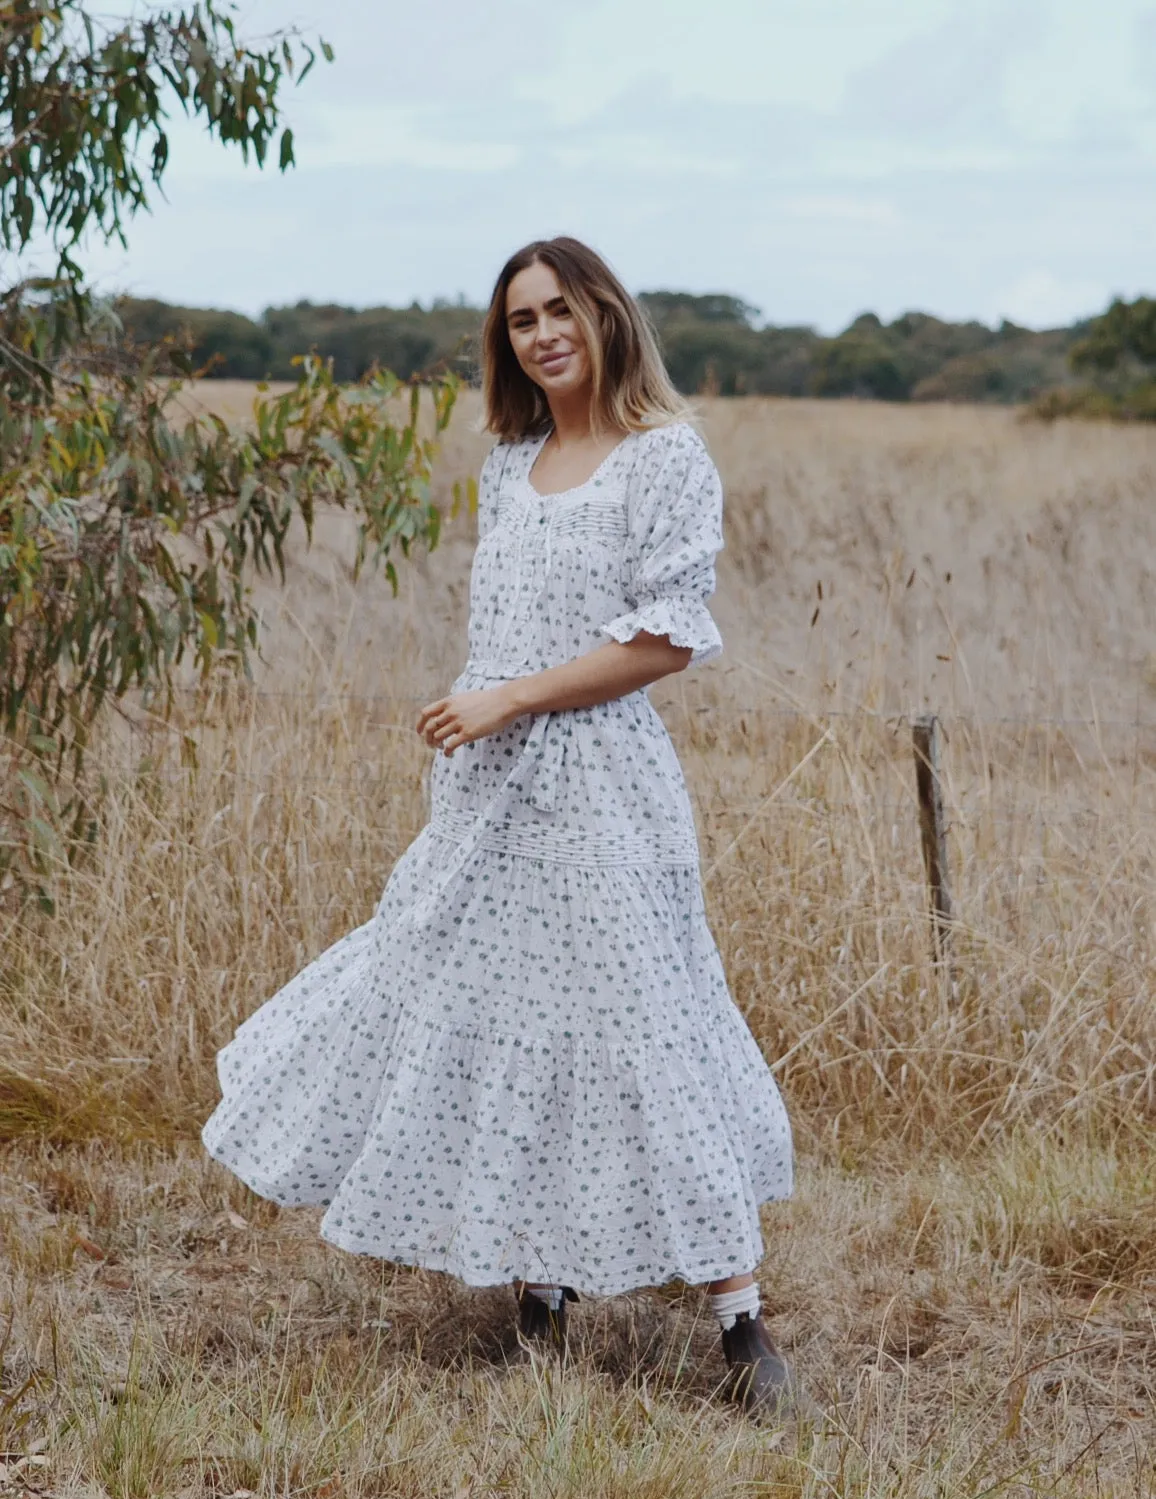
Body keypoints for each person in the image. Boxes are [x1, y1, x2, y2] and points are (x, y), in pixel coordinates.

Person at [201, 235, 796, 1417]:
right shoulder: (511, 465)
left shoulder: (663, 458)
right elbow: (509, 633)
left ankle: (740, 1324)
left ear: (607, 316)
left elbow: (666, 640)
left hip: (603, 785)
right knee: (495, 1012)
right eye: (521, 320)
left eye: (560, 310)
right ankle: (541, 1294)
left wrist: (511, 698)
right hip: (489, 790)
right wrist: (480, 718)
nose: (542, 335)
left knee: (641, 1021)